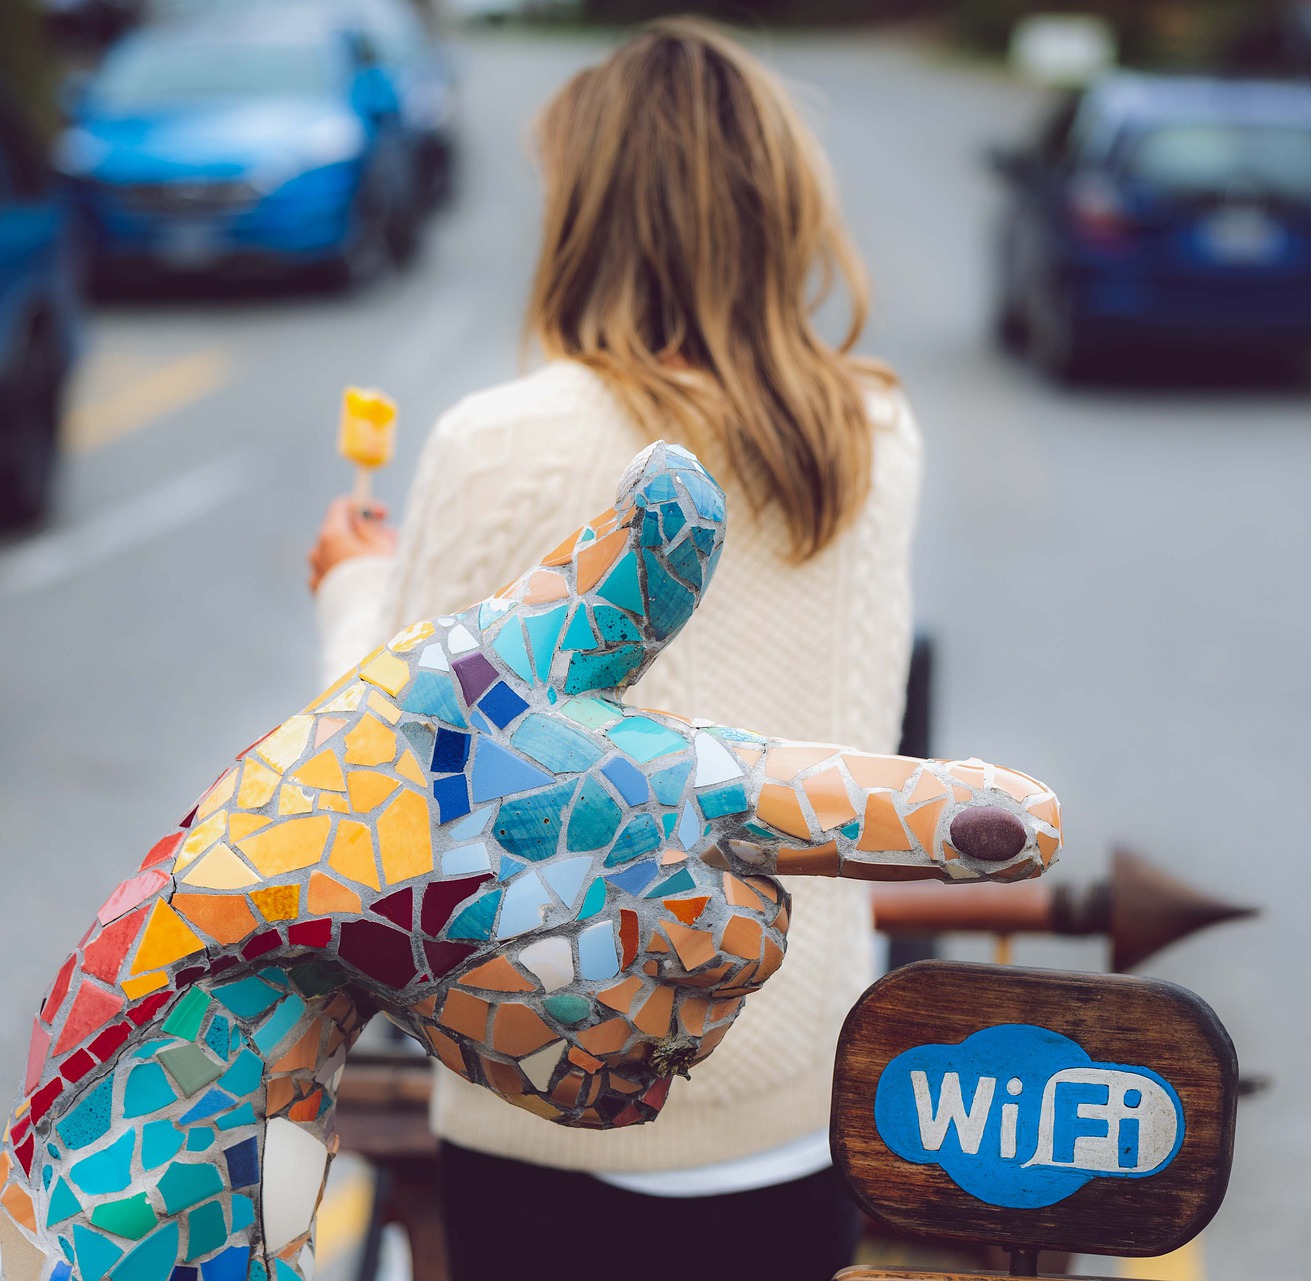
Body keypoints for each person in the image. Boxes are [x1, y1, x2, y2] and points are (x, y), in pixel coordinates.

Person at [308, 18, 921, 1280]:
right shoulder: (874, 436)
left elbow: (381, 782)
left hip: (546, 1099)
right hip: (796, 1111)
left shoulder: (501, 445)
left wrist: (353, 584)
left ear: (588, 212)